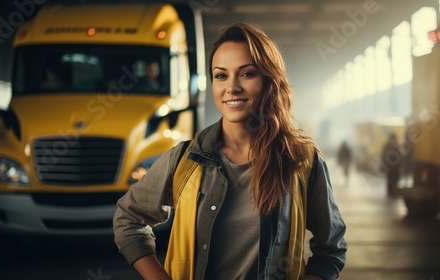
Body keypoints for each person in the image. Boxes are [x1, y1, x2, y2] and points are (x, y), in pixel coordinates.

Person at [113, 23, 347, 280]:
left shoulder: (302, 161)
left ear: (269, 80)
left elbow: (330, 249)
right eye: (221, 76)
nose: (232, 87)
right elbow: (128, 219)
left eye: (246, 74)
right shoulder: (185, 159)